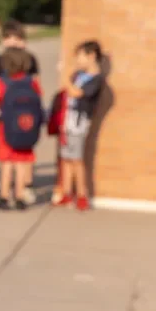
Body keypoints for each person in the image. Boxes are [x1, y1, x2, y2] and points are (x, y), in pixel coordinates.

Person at [0, 19, 39, 205]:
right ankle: (20, 195)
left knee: (6, 162)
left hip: (6, 122)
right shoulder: (30, 81)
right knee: (21, 161)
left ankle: (4, 195)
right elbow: (37, 96)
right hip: (27, 122)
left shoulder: (1, 81)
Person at [57, 40, 104, 212]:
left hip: (79, 122)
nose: (78, 61)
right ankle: (67, 193)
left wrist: (65, 78)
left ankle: (82, 195)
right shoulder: (78, 75)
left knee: (77, 159)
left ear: (91, 56)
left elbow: (77, 92)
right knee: (67, 158)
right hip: (68, 119)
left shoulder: (96, 79)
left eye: (81, 57)